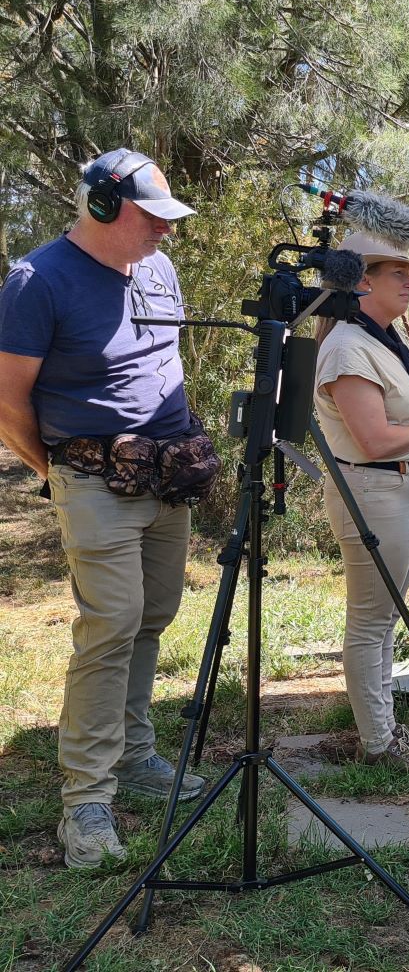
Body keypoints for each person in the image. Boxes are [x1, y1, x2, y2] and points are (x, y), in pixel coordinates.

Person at [0, 149, 206, 868]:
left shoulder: (157, 268)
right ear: (103, 209)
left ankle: (138, 758)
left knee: (153, 615)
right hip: (93, 481)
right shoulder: (37, 281)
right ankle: (86, 799)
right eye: (153, 219)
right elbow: (7, 400)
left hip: (166, 477)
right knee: (111, 622)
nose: (166, 233)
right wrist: (57, 472)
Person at [314, 232, 409, 775]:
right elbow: (374, 439)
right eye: (394, 271)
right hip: (373, 489)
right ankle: (377, 742)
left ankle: (382, 729)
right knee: (371, 621)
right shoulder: (349, 347)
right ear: (359, 281)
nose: (407, 280)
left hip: (399, 488)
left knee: (383, 619)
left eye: (408, 272)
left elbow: (394, 428)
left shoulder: (379, 339)